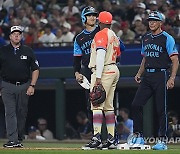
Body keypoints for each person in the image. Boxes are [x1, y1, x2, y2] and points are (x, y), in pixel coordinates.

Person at [131, 11, 179, 150]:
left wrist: (172, 78)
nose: (151, 22)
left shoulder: (167, 38)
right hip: (148, 76)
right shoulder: (145, 37)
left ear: (160, 23)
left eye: (154, 20)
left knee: (160, 110)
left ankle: (162, 141)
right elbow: (145, 58)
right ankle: (138, 136)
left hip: (161, 75)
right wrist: (139, 73)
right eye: (150, 20)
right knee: (136, 105)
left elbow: (175, 60)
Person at [83, 11, 121, 150]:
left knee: (97, 105)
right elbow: (120, 53)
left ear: (101, 22)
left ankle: (97, 138)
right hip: (114, 68)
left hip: (103, 70)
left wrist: (98, 77)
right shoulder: (114, 35)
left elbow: (100, 54)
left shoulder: (101, 34)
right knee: (108, 107)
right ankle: (111, 139)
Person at [0, 25, 39, 148]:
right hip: (7, 85)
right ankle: (13, 140)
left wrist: (32, 85)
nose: (16, 35)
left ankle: (18, 137)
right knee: (10, 112)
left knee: (21, 113)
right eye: (14, 34)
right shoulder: (3, 51)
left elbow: (35, 69)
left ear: (21, 36)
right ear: (10, 36)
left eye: (19, 34)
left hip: (24, 85)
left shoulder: (28, 50)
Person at [73, 6, 99, 125]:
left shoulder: (102, 31)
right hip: (88, 71)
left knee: (108, 104)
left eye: (94, 15)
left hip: (103, 69)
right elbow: (77, 58)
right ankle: (95, 136)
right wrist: (77, 72)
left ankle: (111, 136)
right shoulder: (79, 38)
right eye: (89, 15)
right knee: (91, 104)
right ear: (84, 18)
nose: (92, 17)